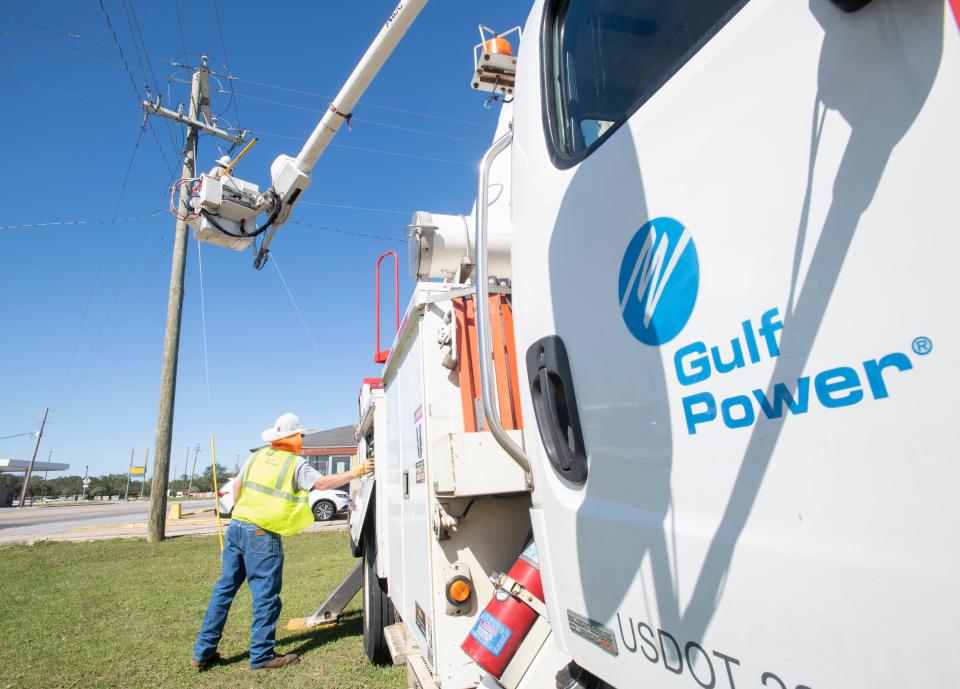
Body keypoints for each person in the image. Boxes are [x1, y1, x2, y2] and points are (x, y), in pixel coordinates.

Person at [192, 412, 372, 672]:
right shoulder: (294, 464)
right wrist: (356, 472)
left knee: (224, 591)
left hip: (238, 527)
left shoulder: (256, 457)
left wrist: (245, 514)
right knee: (266, 597)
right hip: (262, 535)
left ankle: (204, 651)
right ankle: (262, 656)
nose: (302, 439)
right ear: (290, 438)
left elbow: (237, 488)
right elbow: (322, 483)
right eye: (300, 435)